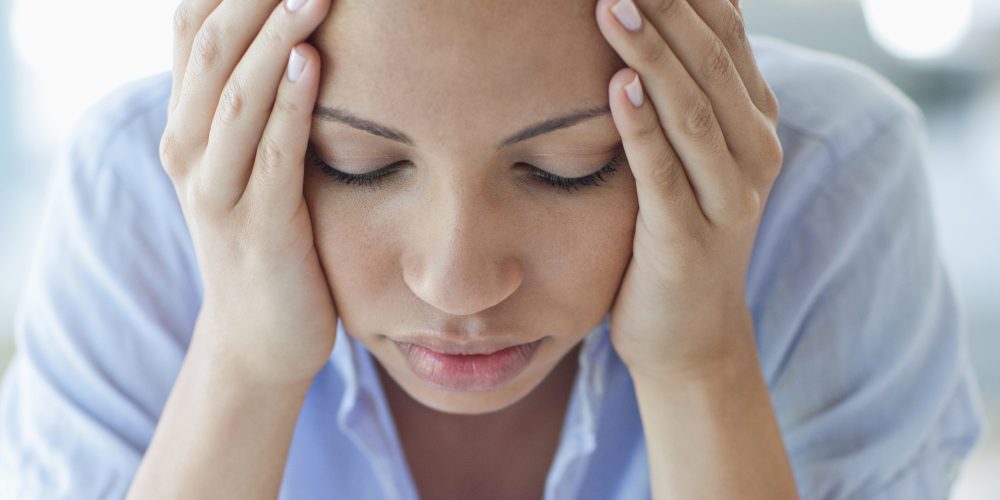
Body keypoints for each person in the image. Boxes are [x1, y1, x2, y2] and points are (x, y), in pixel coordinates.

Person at [0, 0, 986, 498]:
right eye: (353, 162)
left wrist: (700, 361)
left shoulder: (822, 183)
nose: (457, 280)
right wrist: (245, 358)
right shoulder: (136, 196)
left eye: (567, 167)